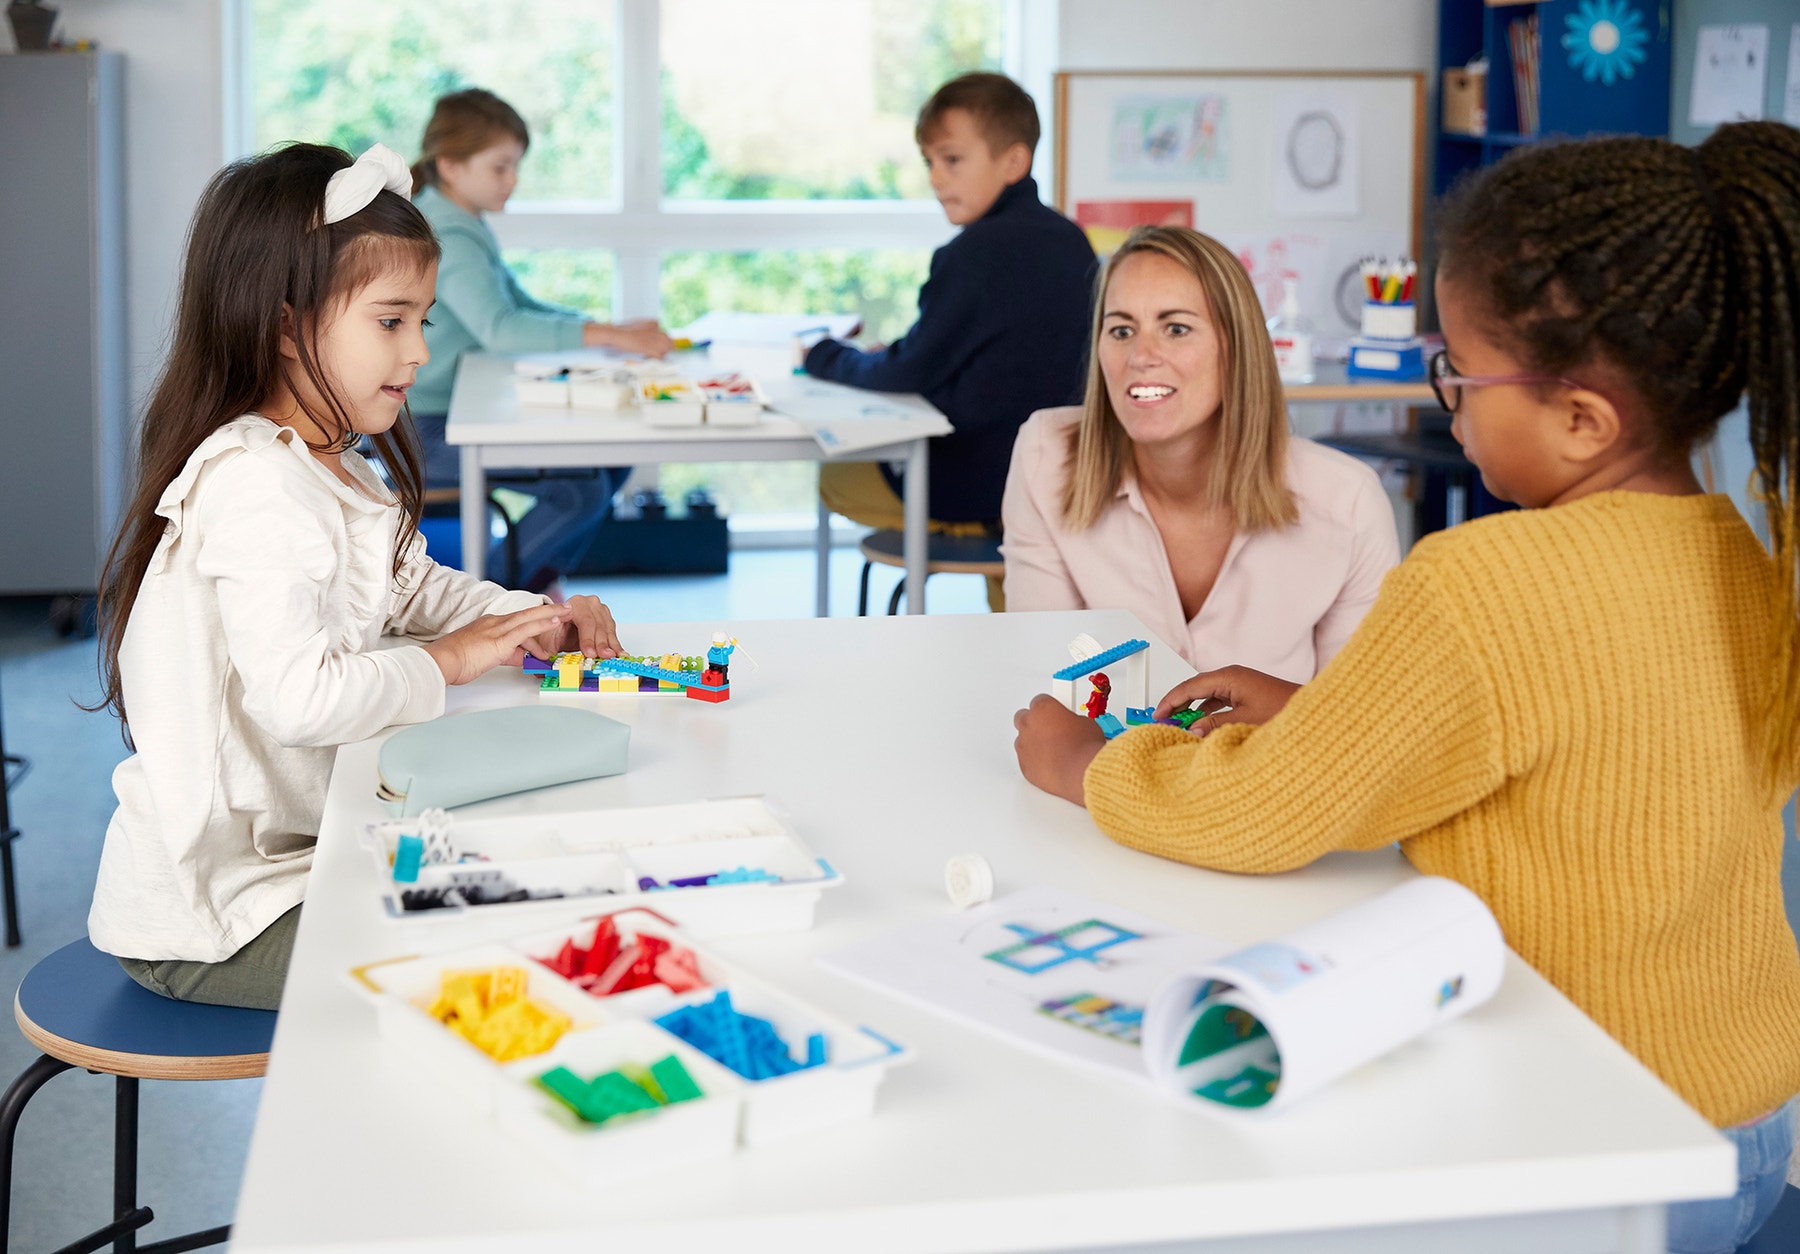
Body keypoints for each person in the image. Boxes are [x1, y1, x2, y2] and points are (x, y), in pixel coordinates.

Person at [1012, 122, 1800, 1254]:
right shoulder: (1751, 563)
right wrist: (1330, 713)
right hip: (1748, 1122)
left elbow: (1270, 814)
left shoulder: (1487, 581)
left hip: (1581, 1138)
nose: (1450, 405)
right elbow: (1579, 765)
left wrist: (1089, 767)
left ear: (1584, 418)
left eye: (1463, 376)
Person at [86, 143, 627, 1012]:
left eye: (425, 322)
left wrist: (531, 619)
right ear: (284, 320)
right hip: (218, 917)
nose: (417, 353)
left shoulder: (332, 462)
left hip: (307, 856)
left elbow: (415, 591)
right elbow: (300, 699)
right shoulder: (257, 483)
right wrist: (450, 662)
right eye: (390, 321)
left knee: (537, 889)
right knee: (501, 963)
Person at [1002, 226, 1399, 677]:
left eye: (1176, 328)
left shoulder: (1347, 505)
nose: (1140, 355)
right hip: (1104, 749)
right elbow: (1047, 677)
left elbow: (1357, 720)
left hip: (1275, 751)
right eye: (1121, 329)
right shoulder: (1045, 456)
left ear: (1236, 349)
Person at [802, 72, 1097, 612]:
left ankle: (972, 538)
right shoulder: (1073, 243)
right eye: (929, 163)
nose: (937, 179)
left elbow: (906, 372)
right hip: (1057, 482)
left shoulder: (969, 254)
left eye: (952, 160)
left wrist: (825, 355)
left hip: (969, 485)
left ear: (1013, 161)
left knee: (834, 475)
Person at [409, 88, 675, 594]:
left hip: (450, 412)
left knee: (612, 455)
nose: (513, 180)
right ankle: (488, 603)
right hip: (424, 431)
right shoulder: (449, 234)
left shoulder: (459, 220)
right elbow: (502, 328)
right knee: (579, 490)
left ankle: (535, 579)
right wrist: (609, 334)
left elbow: (519, 304)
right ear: (450, 165)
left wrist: (610, 331)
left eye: (515, 166)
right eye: (501, 167)